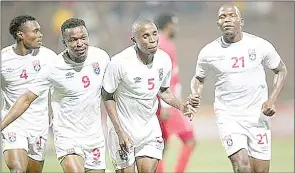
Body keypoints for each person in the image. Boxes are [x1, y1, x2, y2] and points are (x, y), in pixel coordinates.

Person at [1, 18, 110, 173]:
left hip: (91, 135)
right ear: (65, 43)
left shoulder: (101, 57)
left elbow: (111, 92)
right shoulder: (53, 67)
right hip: (63, 134)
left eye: (83, 38)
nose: (79, 43)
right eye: (73, 40)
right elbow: (26, 99)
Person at [190, 4, 287, 173]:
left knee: (261, 170)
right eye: (222, 17)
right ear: (218, 24)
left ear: (241, 21)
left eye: (231, 15)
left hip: (258, 117)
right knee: (241, 165)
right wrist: (196, 94)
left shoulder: (260, 45)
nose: (227, 19)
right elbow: (199, 77)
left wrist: (272, 99)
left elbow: (281, 69)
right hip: (229, 117)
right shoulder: (209, 52)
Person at [102, 19, 196, 173]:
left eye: (154, 34)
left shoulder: (164, 60)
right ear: (134, 40)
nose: (152, 39)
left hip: (150, 128)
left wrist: (181, 105)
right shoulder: (119, 62)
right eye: (145, 36)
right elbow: (107, 96)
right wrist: (120, 132)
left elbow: (164, 91)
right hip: (123, 128)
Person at [1, 15, 57, 173]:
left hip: (39, 125)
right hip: (13, 123)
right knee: (17, 169)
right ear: (20, 35)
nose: (41, 35)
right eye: (36, 31)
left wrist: (54, 109)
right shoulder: (3, 59)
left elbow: (60, 86)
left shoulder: (49, 57)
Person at [154, 13, 197, 173]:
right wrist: (166, 104)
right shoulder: (163, 44)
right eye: (174, 24)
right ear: (167, 25)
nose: (176, 28)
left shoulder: (164, 43)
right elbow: (162, 76)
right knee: (189, 140)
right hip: (166, 103)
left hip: (167, 101)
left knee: (161, 144)